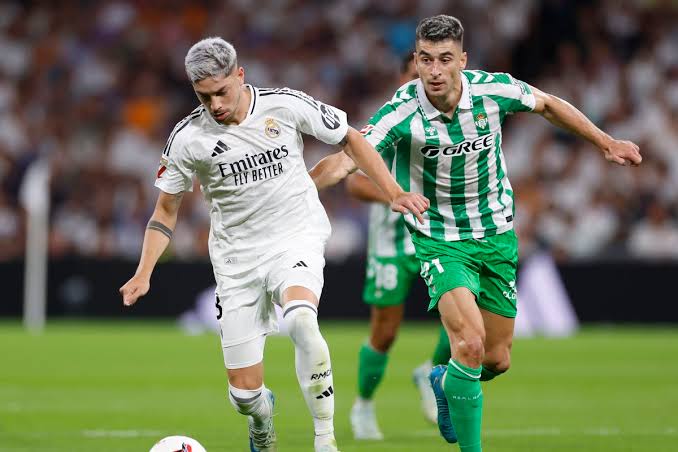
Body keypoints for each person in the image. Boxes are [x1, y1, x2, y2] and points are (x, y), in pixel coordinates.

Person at [311, 15, 641, 451]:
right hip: (440, 240)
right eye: (425, 60)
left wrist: (604, 141)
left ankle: (444, 379)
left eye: (444, 59)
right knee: (467, 342)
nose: (433, 70)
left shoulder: (492, 90)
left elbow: (546, 103)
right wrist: (296, 186)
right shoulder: (403, 110)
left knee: (496, 359)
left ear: (462, 61)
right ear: (416, 61)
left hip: (496, 234)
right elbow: (348, 158)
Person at [118, 37, 429, 452]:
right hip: (236, 261)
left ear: (240, 76)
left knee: (301, 320)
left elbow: (351, 139)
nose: (215, 104)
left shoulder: (283, 105)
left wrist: (392, 191)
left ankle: (325, 439)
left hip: (294, 237)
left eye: (221, 92)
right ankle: (262, 417)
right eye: (203, 96)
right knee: (244, 395)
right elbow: (165, 212)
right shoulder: (187, 139)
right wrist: (143, 273)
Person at [342, 53, 450, 439]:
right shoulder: (386, 122)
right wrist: (396, 194)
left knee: (464, 315)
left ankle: (432, 371)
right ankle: (364, 406)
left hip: (440, 236)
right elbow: (353, 182)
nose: (426, 79)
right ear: (404, 76)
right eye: (416, 73)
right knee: (385, 331)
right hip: (392, 242)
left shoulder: (454, 119)